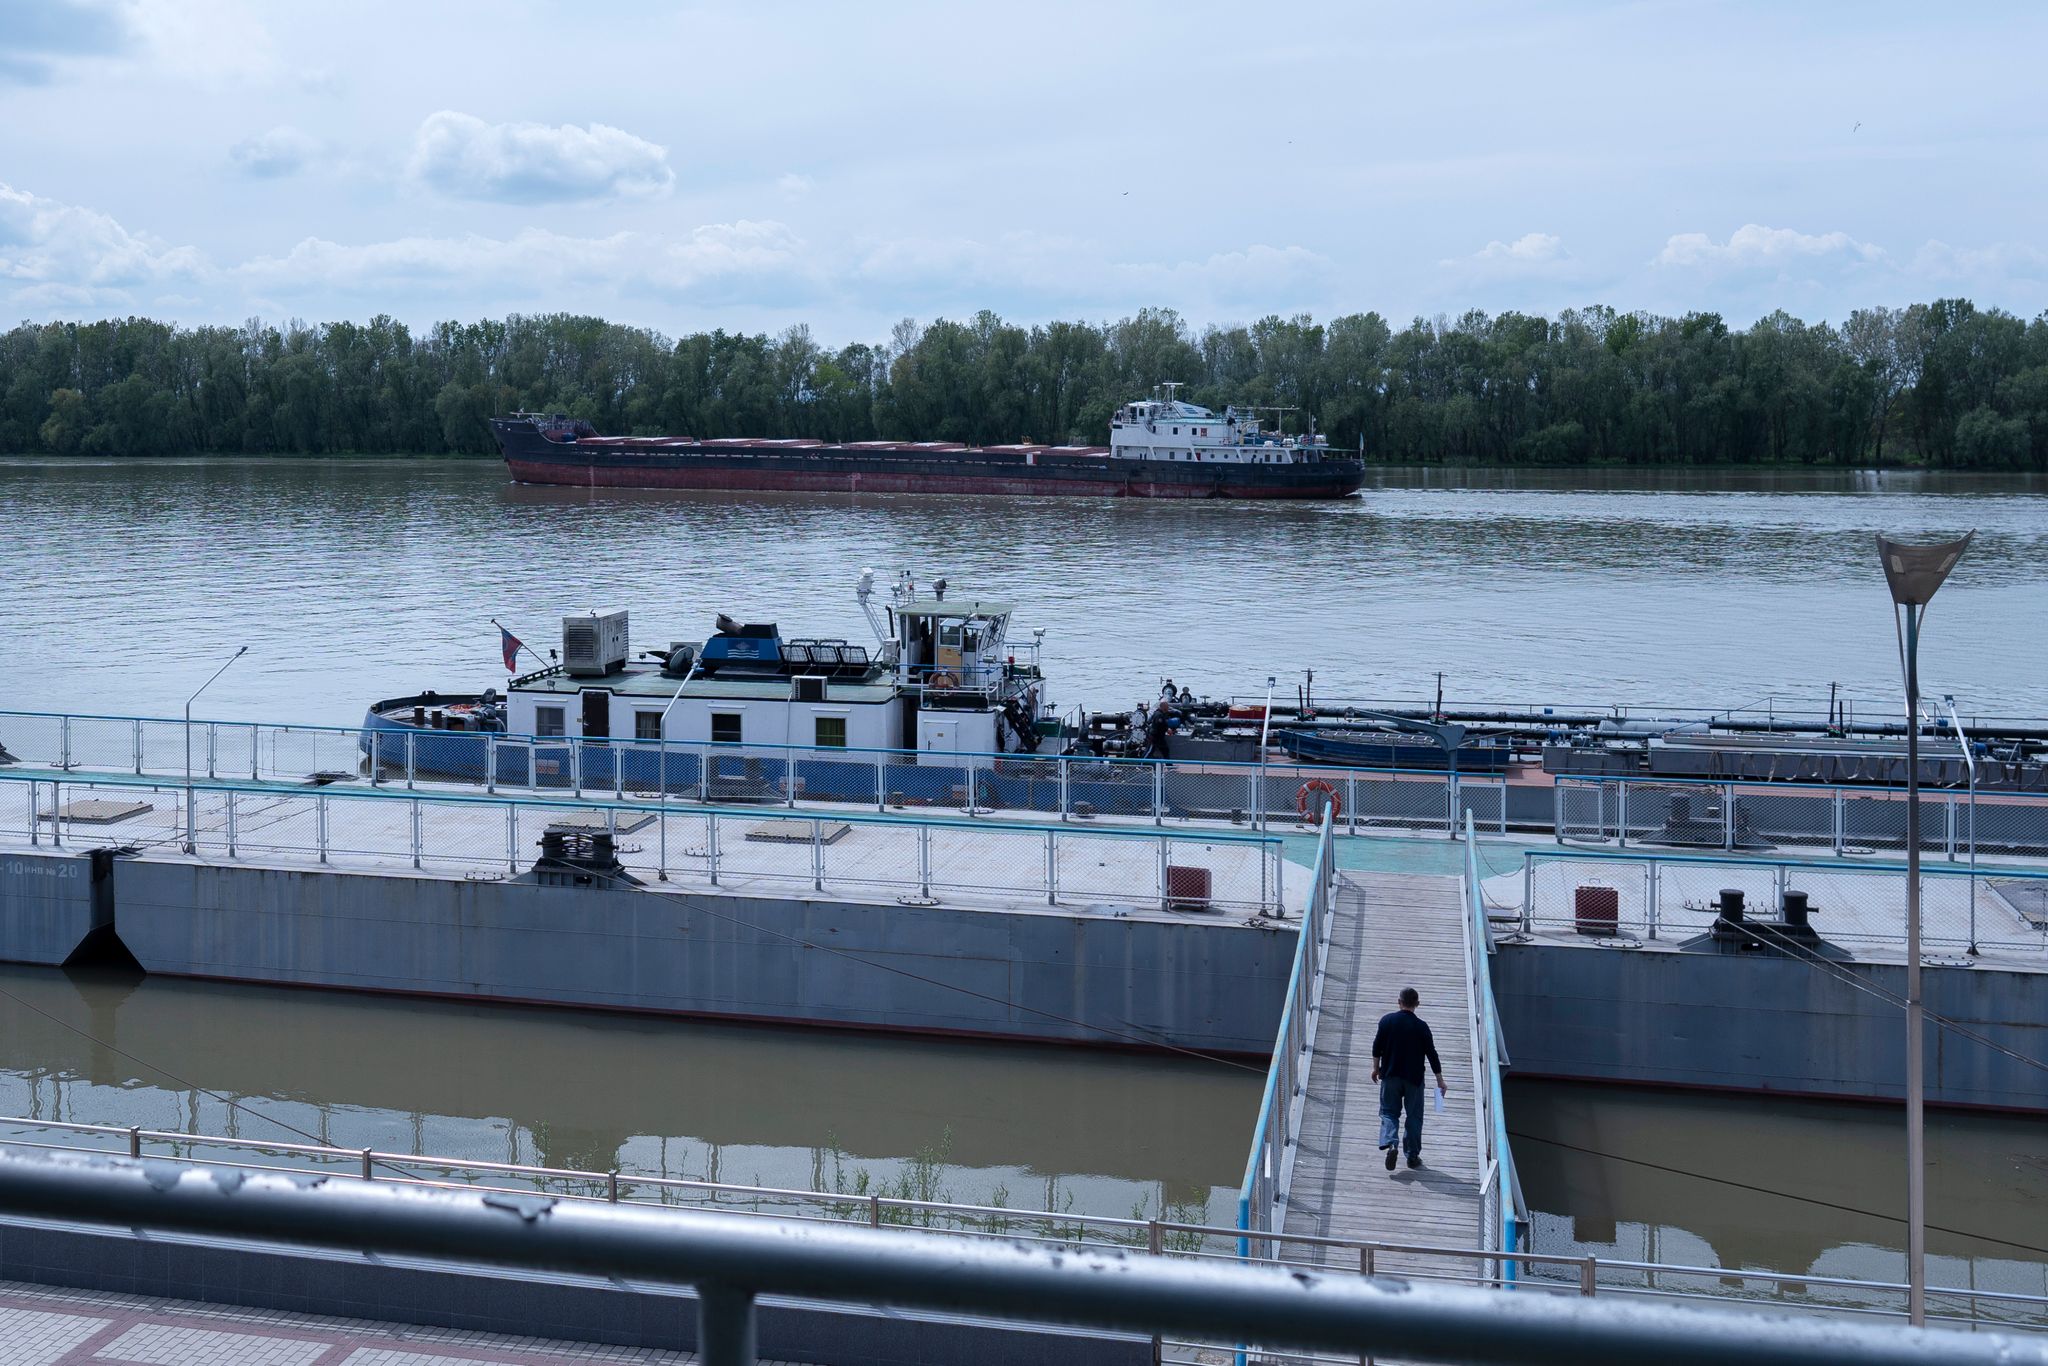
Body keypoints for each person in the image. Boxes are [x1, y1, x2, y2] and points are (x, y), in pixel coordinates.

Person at [1370, 986, 1446, 1171]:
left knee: (1389, 1112)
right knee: (1414, 1117)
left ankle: (1391, 1143)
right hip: (1414, 1079)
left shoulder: (1386, 1021)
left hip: (1390, 1075)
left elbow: (1376, 1047)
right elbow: (1432, 1054)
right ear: (1417, 1004)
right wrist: (1440, 1080)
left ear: (1399, 1002)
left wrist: (1375, 1069)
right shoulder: (1421, 1027)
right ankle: (1412, 1156)